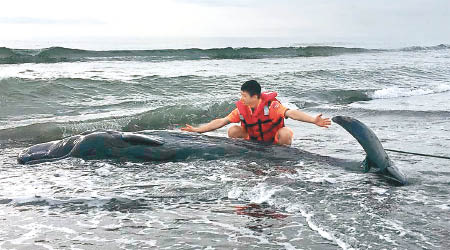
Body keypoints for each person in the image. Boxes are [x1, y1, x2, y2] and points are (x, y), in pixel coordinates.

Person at [181, 80, 331, 145]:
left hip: (274, 140)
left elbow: (291, 113)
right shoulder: (242, 109)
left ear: (255, 96)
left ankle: (283, 155)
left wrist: (313, 120)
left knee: (286, 132)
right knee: (233, 129)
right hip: (253, 141)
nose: (241, 99)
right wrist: (197, 130)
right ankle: (247, 152)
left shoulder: (272, 106)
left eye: (244, 96)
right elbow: (221, 121)